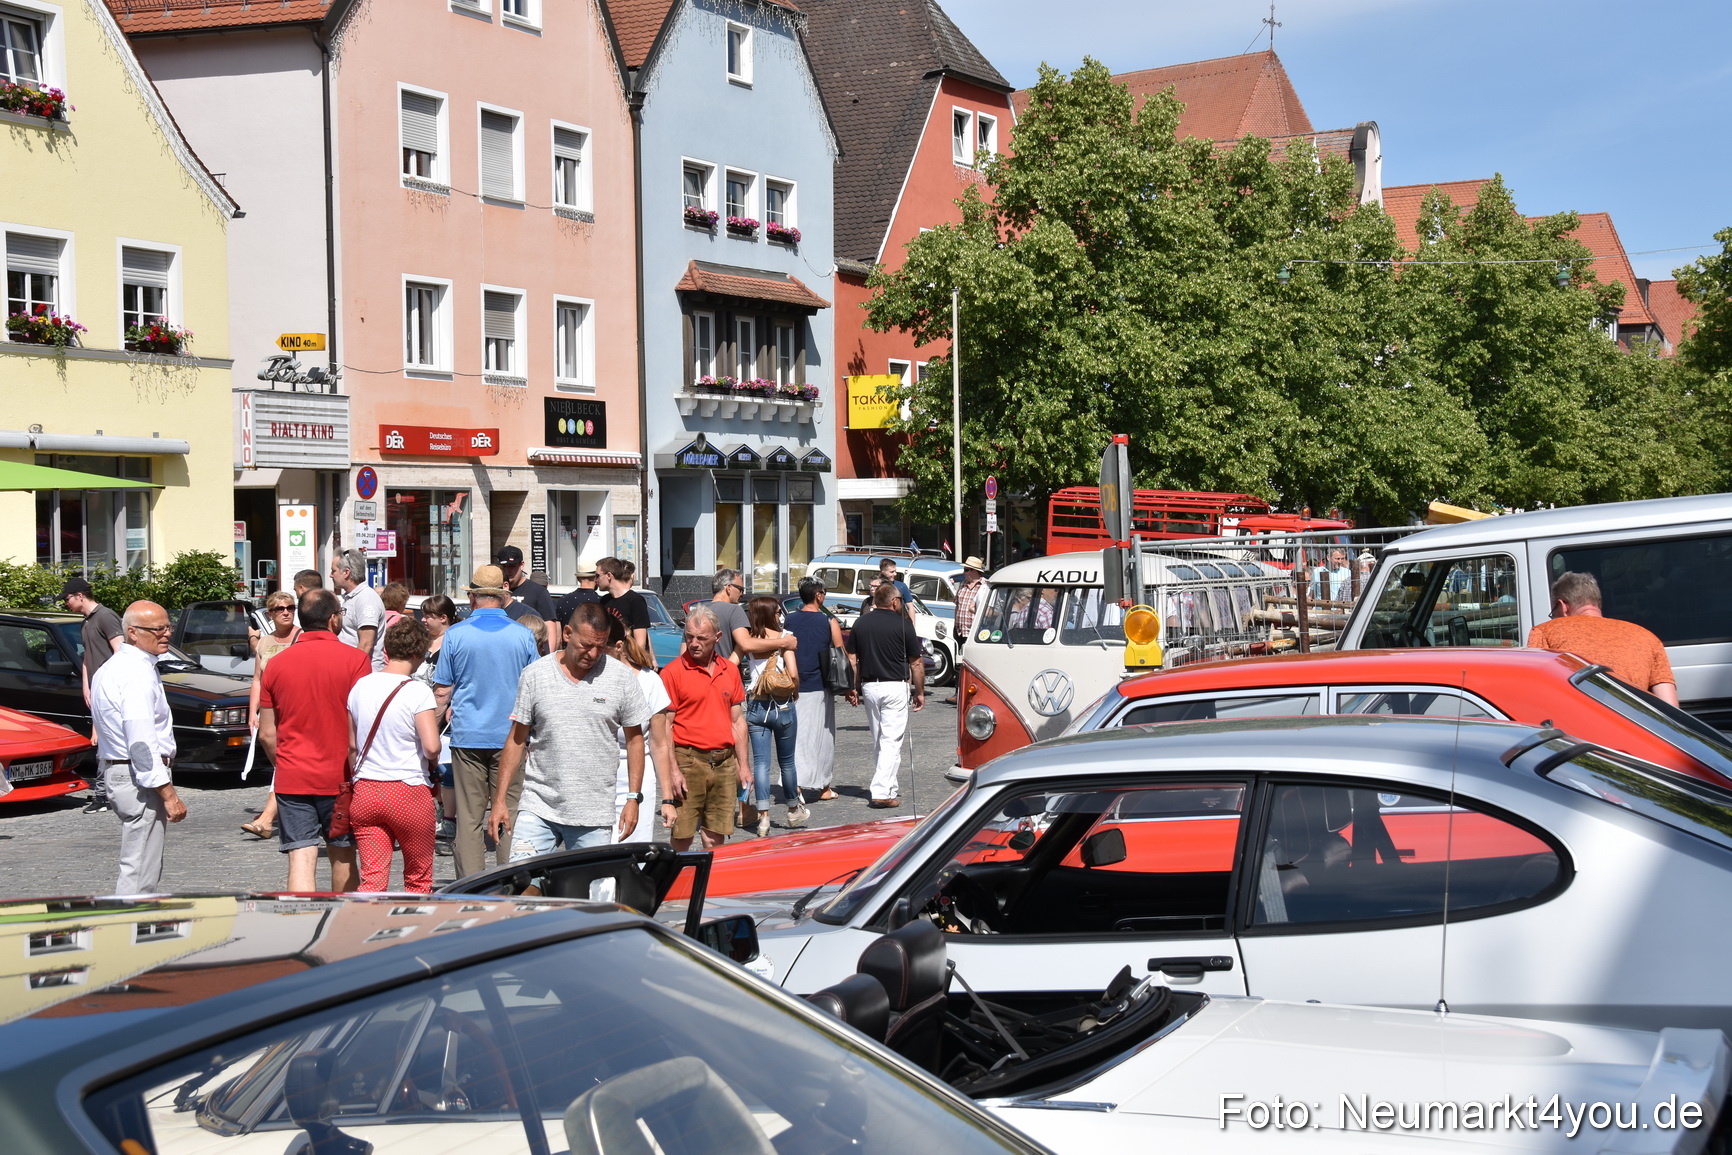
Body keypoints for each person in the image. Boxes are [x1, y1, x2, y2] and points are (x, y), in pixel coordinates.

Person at [488, 602, 652, 856]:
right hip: (538, 805)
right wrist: (499, 801)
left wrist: (633, 798)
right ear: (567, 634)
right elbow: (517, 739)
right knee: (521, 886)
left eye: (600, 646)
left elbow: (635, 740)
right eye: (586, 645)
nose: (593, 654)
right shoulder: (535, 675)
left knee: (589, 891)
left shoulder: (621, 678)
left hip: (593, 812)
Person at [258, 589, 370, 891]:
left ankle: (300, 926)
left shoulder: (277, 665)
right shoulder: (357, 660)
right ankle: (344, 927)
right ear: (334, 619)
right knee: (344, 856)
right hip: (341, 777)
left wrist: (285, 763)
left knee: (301, 858)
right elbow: (362, 726)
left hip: (293, 776)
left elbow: (267, 733)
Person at [434, 565, 542, 876]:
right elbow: (534, 688)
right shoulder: (522, 636)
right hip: (512, 736)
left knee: (469, 817)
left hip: (468, 735)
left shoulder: (455, 635)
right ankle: (513, 883)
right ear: (504, 597)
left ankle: (472, 888)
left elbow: (442, 692)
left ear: (472, 597)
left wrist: (432, 734)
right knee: (509, 812)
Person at [90, 601, 187, 893]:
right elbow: (141, 742)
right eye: (157, 629)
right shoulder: (135, 673)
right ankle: (128, 929)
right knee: (140, 870)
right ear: (132, 632)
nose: (166, 634)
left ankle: (130, 926)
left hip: (121, 772)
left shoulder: (115, 667)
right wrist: (168, 794)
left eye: (168, 627)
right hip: (136, 777)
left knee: (139, 862)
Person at [347, 617, 440, 892]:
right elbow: (432, 746)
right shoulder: (418, 692)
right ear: (419, 653)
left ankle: (364, 929)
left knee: (372, 879)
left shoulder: (360, 686)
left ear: (386, 649)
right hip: (408, 790)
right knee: (418, 878)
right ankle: (413, 931)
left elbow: (352, 746)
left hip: (366, 790)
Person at [660, 605, 750, 849]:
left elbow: (738, 722)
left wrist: (743, 766)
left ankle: (710, 885)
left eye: (701, 638)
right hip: (688, 761)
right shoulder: (672, 673)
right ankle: (679, 885)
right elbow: (665, 728)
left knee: (715, 836)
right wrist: (673, 771)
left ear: (717, 638)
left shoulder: (730, 671)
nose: (694, 643)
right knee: (682, 835)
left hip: (724, 763)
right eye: (689, 636)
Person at [1527, 571, 1678, 704]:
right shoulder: (1647, 637)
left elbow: (1533, 695)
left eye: (1554, 612)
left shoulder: (1544, 632)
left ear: (1563, 606)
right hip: (1632, 733)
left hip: (1576, 733)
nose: (1553, 618)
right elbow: (1670, 708)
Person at [848, 581, 924, 808]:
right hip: (895, 685)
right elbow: (917, 663)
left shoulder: (860, 623)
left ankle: (889, 786)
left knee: (880, 739)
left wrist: (853, 687)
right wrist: (919, 691)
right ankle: (881, 790)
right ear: (894, 601)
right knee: (891, 740)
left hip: (870, 686)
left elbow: (852, 659)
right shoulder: (903, 625)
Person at [607, 617, 681, 842]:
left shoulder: (650, 682)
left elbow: (659, 744)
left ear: (618, 646)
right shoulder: (590, 679)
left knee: (632, 857)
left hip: (637, 782)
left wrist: (667, 799)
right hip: (596, 782)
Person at [741, 595, 805, 836]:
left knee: (761, 763)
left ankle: (764, 817)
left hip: (757, 706)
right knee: (787, 762)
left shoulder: (749, 639)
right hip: (783, 705)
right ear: (770, 614)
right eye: (777, 612)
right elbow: (795, 673)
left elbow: (734, 660)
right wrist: (795, 692)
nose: (780, 615)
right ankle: (792, 810)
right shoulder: (783, 638)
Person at [241, 589, 300, 839]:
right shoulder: (265, 642)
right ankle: (293, 786)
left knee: (287, 763)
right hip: (269, 710)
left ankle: (266, 818)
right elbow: (257, 679)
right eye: (280, 609)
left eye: (290, 608)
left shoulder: (302, 637)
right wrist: (252, 710)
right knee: (271, 745)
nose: (286, 612)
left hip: (295, 710)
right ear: (270, 614)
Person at [63, 577, 123, 814]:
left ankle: (105, 795)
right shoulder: (86, 622)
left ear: (80, 595)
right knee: (102, 742)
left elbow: (120, 652)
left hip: (112, 691)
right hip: (99, 690)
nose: (65, 603)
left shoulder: (106, 616)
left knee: (108, 742)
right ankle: (105, 793)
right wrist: (87, 686)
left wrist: (111, 687)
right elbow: (88, 656)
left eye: (67, 598)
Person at [787, 579, 847, 802]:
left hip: (794, 685)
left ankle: (812, 785)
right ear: (818, 596)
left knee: (799, 736)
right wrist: (849, 687)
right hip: (820, 686)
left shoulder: (789, 620)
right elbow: (841, 654)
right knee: (824, 736)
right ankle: (813, 786)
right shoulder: (828, 621)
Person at [414, 594, 459, 855]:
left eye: (428, 615)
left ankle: (447, 816)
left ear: (443, 618)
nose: (423, 619)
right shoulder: (425, 643)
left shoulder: (451, 642)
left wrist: (435, 718)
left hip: (441, 717)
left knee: (443, 768)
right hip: (419, 711)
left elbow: (446, 688)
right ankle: (435, 811)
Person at [331, 548, 385, 669]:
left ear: (346, 572)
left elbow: (366, 643)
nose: (330, 575)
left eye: (333, 571)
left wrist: (355, 672)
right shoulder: (351, 597)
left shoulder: (366, 598)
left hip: (363, 674)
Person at [946, 557, 986, 704]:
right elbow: (957, 605)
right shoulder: (963, 585)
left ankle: (973, 692)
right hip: (960, 629)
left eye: (966, 570)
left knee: (973, 663)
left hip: (973, 631)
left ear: (974, 571)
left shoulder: (983, 586)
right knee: (958, 663)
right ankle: (958, 692)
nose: (964, 572)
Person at [596, 556, 650, 651]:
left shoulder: (636, 600)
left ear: (609, 575)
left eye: (598, 576)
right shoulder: (604, 600)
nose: (596, 580)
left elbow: (641, 642)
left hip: (629, 659)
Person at [705, 568, 750, 661]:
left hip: (698, 673)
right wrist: (781, 642)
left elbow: (684, 652)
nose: (742, 594)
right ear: (729, 588)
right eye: (740, 589)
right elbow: (745, 645)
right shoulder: (734, 610)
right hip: (726, 672)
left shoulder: (695, 613)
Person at [553, 559, 602, 639]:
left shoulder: (562, 601)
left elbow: (558, 635)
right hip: (594, 649)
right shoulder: (601, 602)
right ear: (596, 578)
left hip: (569, 649)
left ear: (578, 579)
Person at [878, 557, 915, 621]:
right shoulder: (877, 586)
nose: (895, 574)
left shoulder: (902, 586)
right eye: (891, 572)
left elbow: (911, 607)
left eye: (895, 571)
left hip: (898, 621)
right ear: (882, 572)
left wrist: (912, 625)